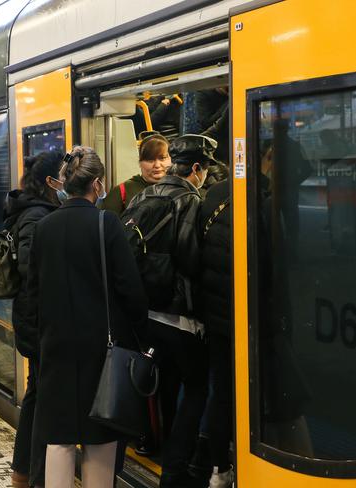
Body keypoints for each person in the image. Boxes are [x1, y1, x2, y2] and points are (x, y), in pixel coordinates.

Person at [27, 146, 148, 488]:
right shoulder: (106, 223)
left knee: (59, 439)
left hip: (56, 348)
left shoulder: (44, 227)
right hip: (102, 351)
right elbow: (131, 291)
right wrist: (141, 339)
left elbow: (32, 294)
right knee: (99, 440)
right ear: (98, 184)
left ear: (66, 183)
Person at [140, 134, 216, 488]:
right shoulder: (190, 201)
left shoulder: (144, 195)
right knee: (197, 387)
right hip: (180, 317)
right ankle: (175, 468)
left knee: (165, 385)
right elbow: (190, 260)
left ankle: (156, 443)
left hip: (148, 314)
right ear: (196, 169)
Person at [4, 151, 65, 488]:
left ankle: (24, 473)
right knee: (41, 399)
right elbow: (31, 267)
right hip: (38, 320)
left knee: (36, 396)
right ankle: (35, 476)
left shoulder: (33, 210)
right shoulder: (36, 216)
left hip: (34, 318)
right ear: (50, 182)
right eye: (64, 175)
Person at [197, 180, 233, 487]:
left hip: (213, 317)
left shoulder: (211, 197)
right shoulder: (259, 194)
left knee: (220, 393)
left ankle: (219, 467)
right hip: (239, 321)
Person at [102, 132, 172, 216]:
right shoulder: (122, 191)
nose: (157, 165)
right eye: (150, 160)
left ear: (171, 160)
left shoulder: (180, 190)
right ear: (140, 162)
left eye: (162, 158)